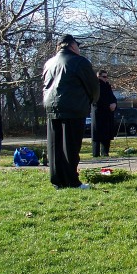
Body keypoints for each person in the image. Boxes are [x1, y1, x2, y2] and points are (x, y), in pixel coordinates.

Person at [43, 34, 100, 189]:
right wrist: (91, 100)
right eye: (78, 46)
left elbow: (45, 85)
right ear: (72, 46)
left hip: (52, 107)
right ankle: (72, 181)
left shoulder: (49, 63)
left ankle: (57, 180)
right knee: (71, 146)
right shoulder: (79, 62)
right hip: (73, 107)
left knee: (55, 146)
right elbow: (93, 86)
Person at [92, 69, 117, 157]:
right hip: (99, 113)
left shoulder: (107, 86)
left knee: (107, 134)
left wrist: (114, 104)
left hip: (108, 113)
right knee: (97, 134)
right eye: (104, 77)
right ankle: (96, 154)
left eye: (106, 76)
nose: (106, 79)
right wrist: (108, 105)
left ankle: (105, 152)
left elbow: (112, 97)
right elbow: (96, 100)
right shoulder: (96, 86)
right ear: (98, 76)